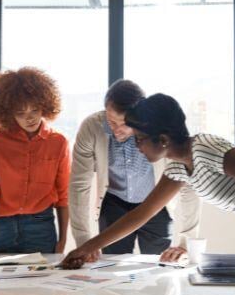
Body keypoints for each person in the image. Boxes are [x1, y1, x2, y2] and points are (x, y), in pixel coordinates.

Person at [63, 93, 235, 295]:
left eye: (139, 138)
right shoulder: (178, 166)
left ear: (162, 139)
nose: (135, 145)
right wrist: (86, 248)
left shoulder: (208, 150)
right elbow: (142, 213)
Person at [69, 80, 200, 262]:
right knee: (111, 267)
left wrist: (187, 240)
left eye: (123, 124)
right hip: (114, 204)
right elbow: (79, 185)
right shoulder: (91, 127)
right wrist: (83, 239)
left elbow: (187, 185)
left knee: (158, 269)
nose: (116, 130)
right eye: (111, 121)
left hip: (156, 205)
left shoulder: (159, 133)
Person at [0, 67, 70, 259]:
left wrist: (62, 240)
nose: (30, 117)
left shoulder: (58, 142)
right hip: (2, 226)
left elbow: (64, 194)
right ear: (8, 112)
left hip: (41, 226)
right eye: (20, 112)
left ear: (44, 105)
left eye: (35, 109)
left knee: (42, 286)